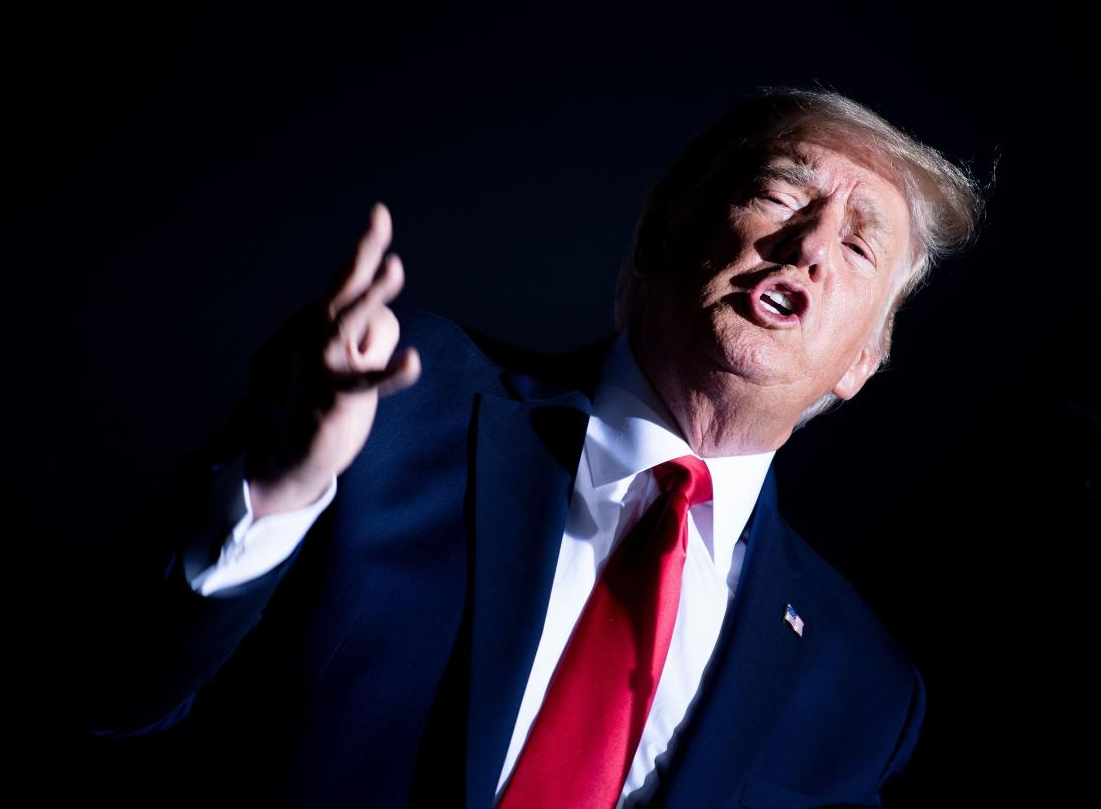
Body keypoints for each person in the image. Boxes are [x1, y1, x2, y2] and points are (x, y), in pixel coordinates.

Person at [60, 85, 985, 807]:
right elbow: (106, 692)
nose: (811, 245)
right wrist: (282, 486)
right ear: (668, 228)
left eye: (860, 248)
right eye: (780, 193)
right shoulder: (395, 403)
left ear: (863, 361)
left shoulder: (863, 691)